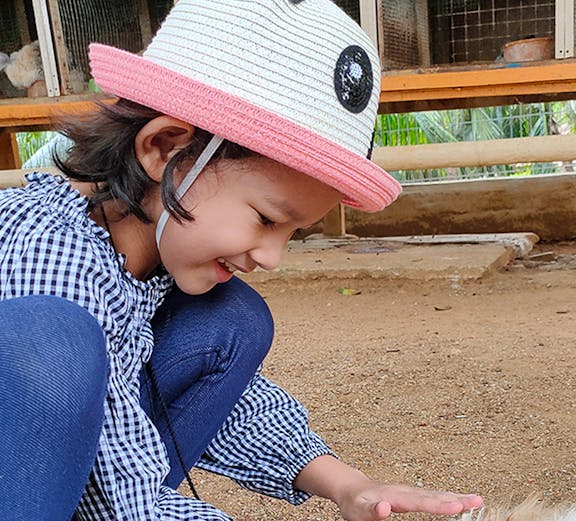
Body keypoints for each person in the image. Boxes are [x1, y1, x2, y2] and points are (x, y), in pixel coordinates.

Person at [0, 1, 484, 520]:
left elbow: (203, 408)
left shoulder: (146, 253)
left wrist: (348, 485)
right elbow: (119, 495)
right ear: (165, 148)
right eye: (265, 218)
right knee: (51, 342)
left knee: (233, 319)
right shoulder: (49, 251)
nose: (273, 257)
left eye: (293, 233)